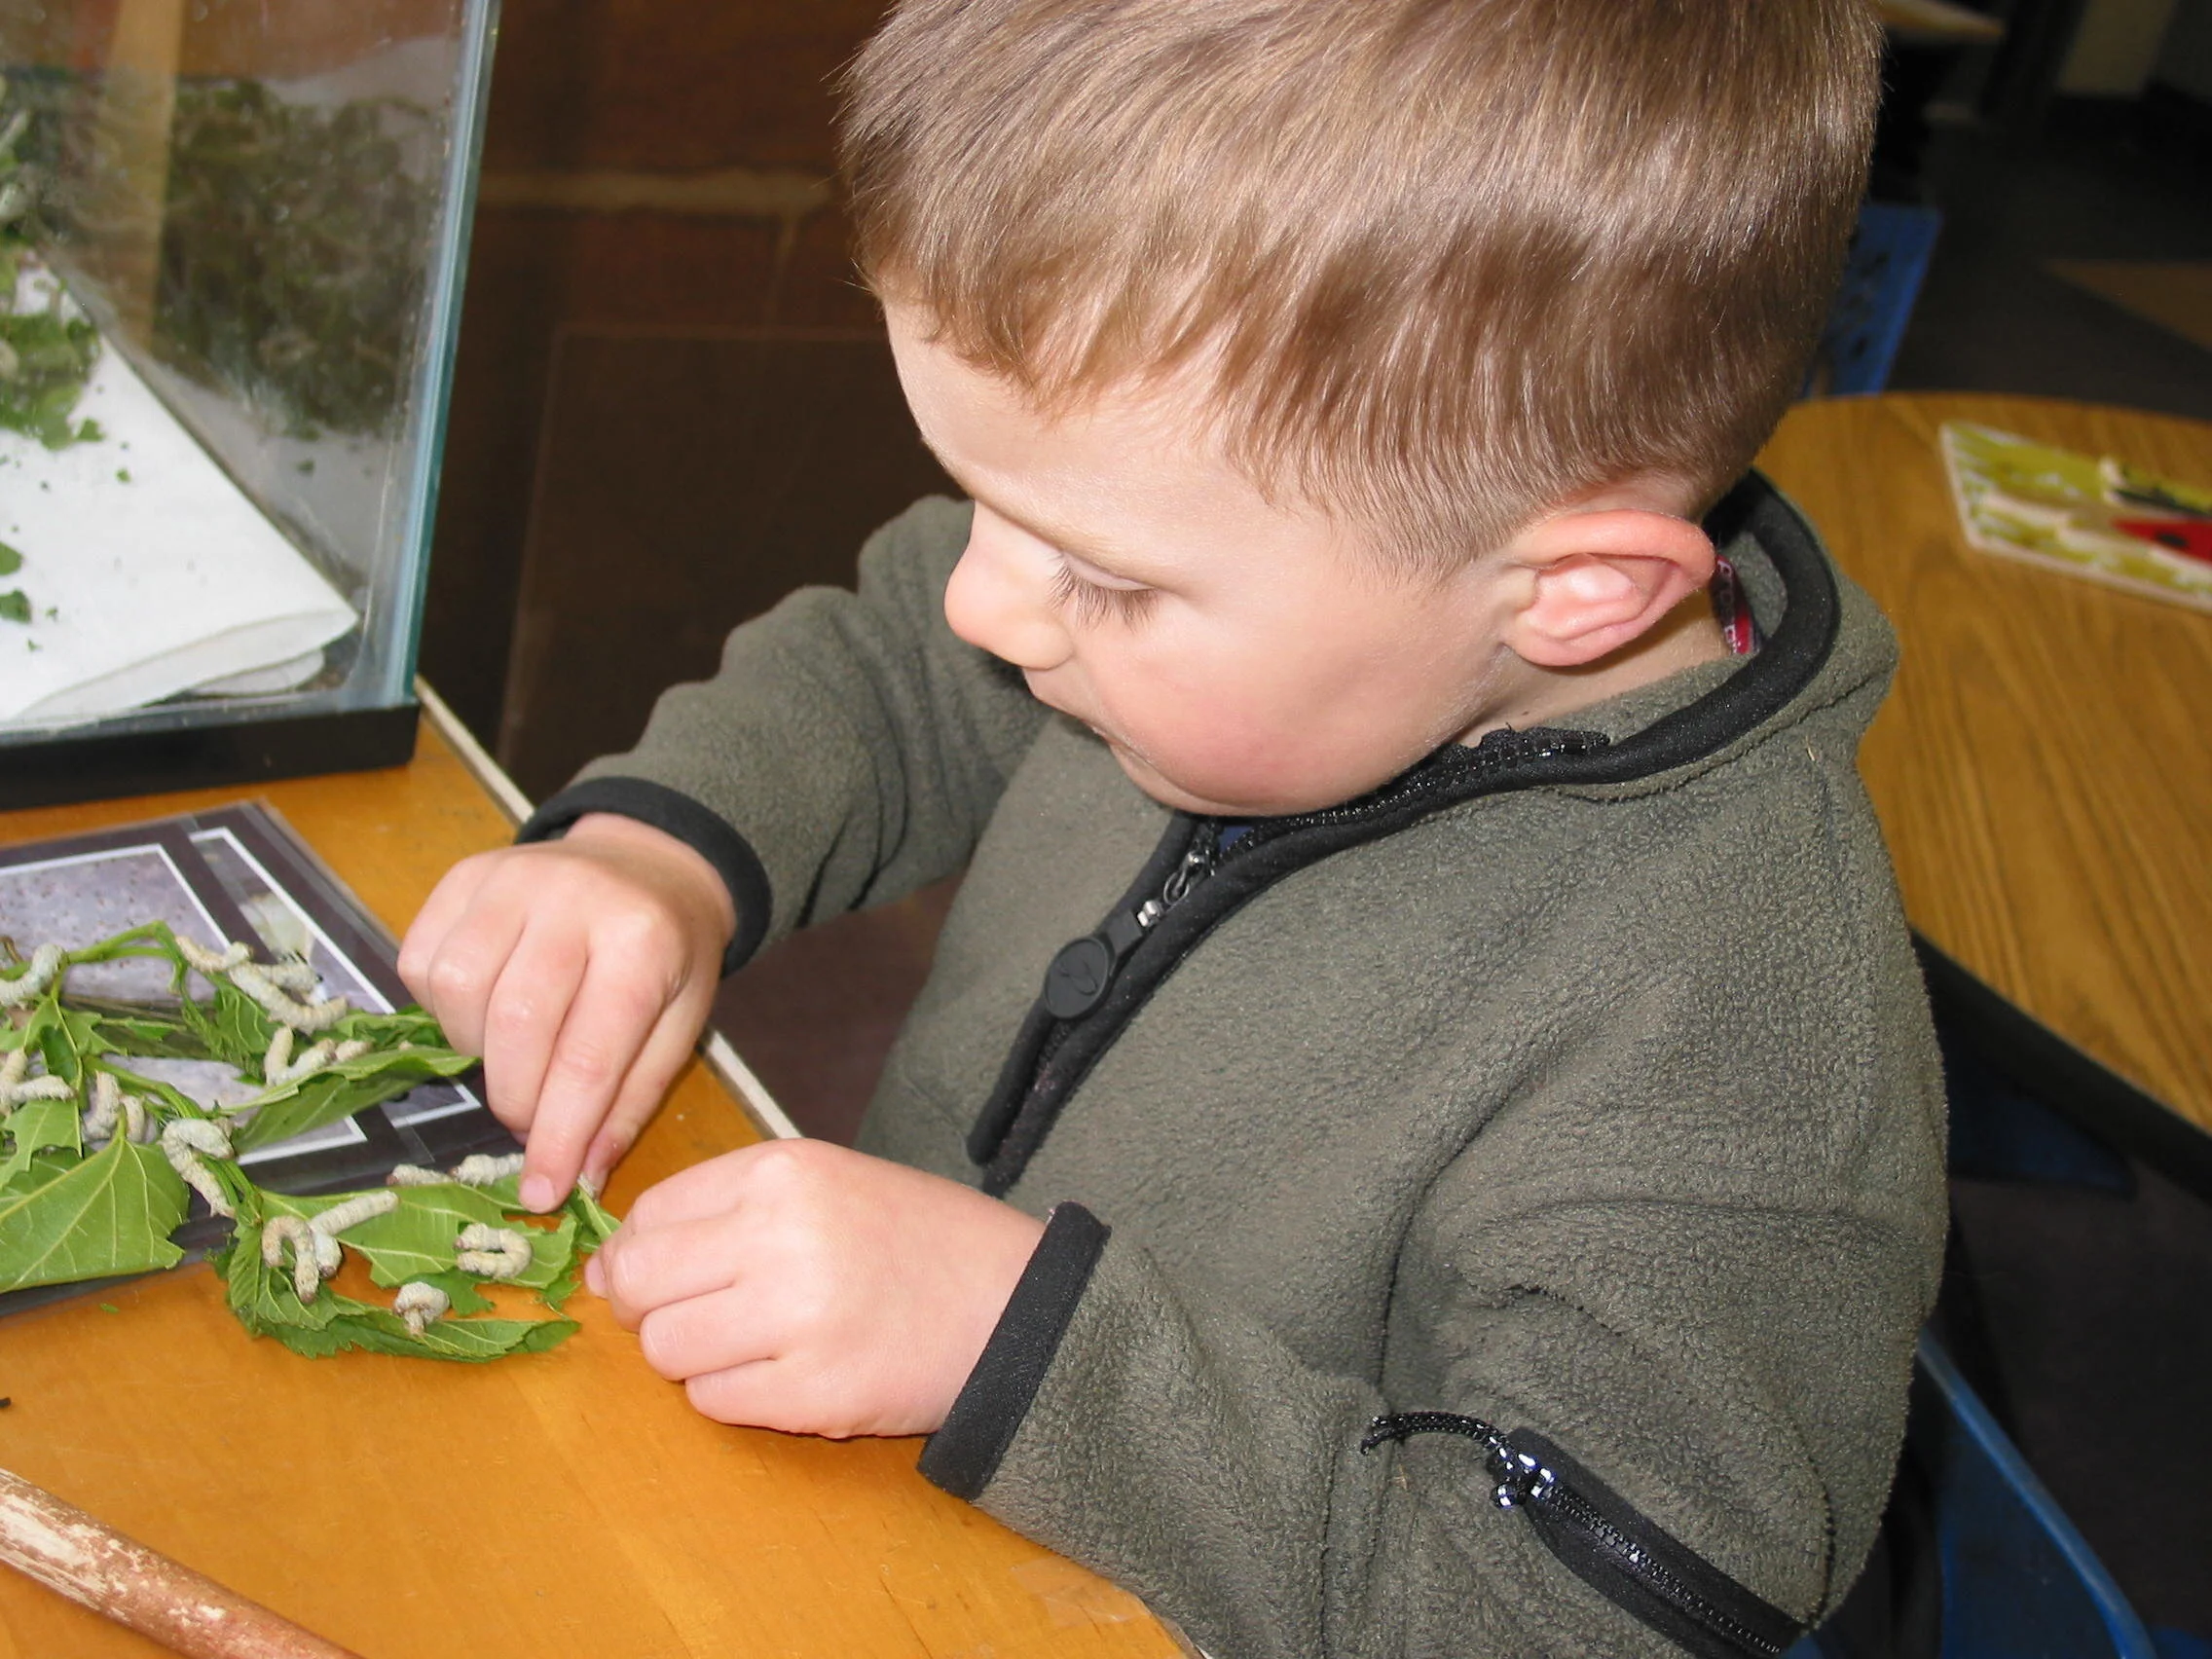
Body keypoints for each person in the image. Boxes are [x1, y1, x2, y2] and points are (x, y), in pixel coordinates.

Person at [398, 2, 1948, 1653]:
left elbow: (1578, 1612)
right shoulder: (1256, 590)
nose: (992, 602)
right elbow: (910, 652)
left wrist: (1027, 1351)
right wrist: (667, 850)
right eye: (985, 502)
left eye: (1107, 577)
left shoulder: (1741, 1046)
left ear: (1572, 593)